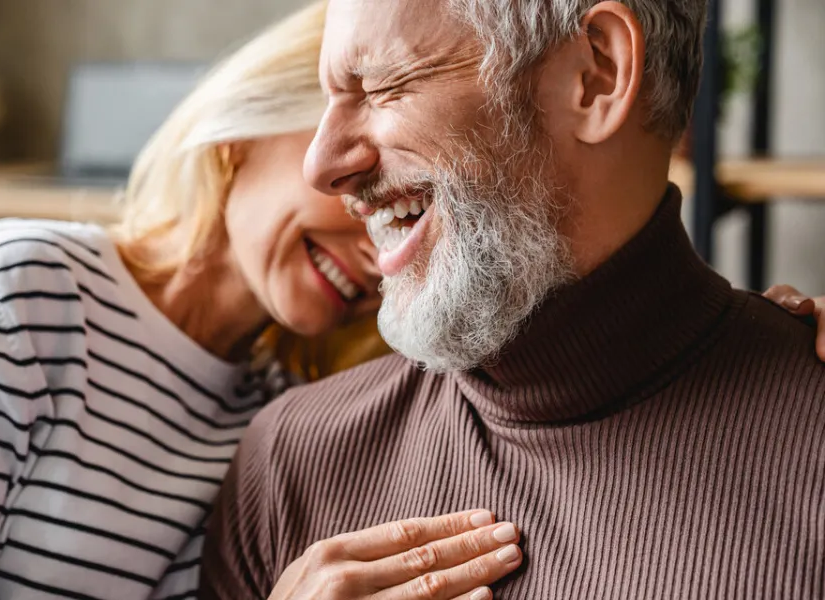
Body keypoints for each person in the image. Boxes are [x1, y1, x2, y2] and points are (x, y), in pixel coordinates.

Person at [202, 1, 825, 599]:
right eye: (330, 99)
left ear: (595, 75)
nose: (323, 163)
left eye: (383, 86)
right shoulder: (290, 464)